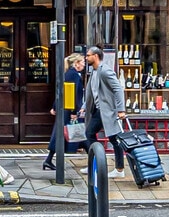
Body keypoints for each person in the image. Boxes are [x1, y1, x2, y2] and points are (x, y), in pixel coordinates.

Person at [82, 46, 128, 175]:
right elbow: (93, 92)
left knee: (114, 139)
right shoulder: (94, 72)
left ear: (95, 56)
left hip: (108, 111)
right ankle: (95, 164)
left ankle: (119, 169)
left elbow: (118, 89)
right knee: (89, 134)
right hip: (98, 110)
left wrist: (121, 110)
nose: (86, 58)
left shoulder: (105, 71)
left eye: (88, 55)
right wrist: (84, 106)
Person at [45, 51, 86, 178]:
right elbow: (72, 94)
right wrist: (74, 111)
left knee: (62, 134)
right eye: (82, 62)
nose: (84, 64)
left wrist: (55, 106)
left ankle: (48, 160)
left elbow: (60, 92)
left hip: (66, 109)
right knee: (77, 134)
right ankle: (94, 159)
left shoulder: (69, 74)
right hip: (69, 110)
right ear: (76, 63)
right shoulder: (73, 75)